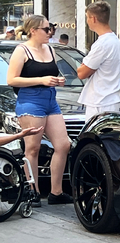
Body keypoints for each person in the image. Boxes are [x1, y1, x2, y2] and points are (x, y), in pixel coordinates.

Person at [6, 15, 73, 206]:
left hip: (50, 99)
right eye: (46, 29)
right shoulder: (22, 50)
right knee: (33, 148)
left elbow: (52, 73)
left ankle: (56, 192)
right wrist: (42, 80)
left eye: (50, 28)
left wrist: (58, 80)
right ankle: (32, 191)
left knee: (63, 145)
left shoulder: (50, 49)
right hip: (31, 101)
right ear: (33, 30)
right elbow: (12, 79)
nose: (50, 32)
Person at [77, 1, 120, 120]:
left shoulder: (102, 44)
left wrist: (83, 65)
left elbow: (81, 73)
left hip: (101, 100)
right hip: (108, 98)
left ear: (93, 19)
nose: (87, 21)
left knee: (95, 137)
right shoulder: (114, 40)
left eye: (87, 17)